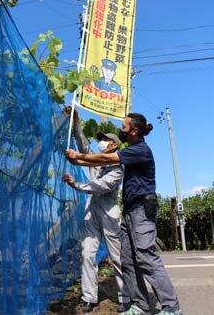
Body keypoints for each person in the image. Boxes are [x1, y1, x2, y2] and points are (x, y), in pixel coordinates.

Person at [65, 112, 183, 315]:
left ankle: (172, 308)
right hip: (129, 211)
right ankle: (140, 305)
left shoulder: (139, 151)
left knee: (145, 256)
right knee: (127, 259)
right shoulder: (129, 152)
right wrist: (78, 158)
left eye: (124, 126)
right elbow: (95, 159)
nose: (121, 129)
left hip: (141, 211)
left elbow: (101, 160)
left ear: (134, 131)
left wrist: (79, 160)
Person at [62, 107, 130, 313]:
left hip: (109, 213)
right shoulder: (96, 161)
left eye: (105, 140)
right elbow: (83, 145)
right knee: (88, 254)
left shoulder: (117, 169)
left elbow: (100, 187)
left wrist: (77, 185)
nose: (101, 142)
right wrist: (76, 123)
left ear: (113, 146)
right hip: (92, 211)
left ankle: (125, 297)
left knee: (116, 256)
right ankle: (89, 298)